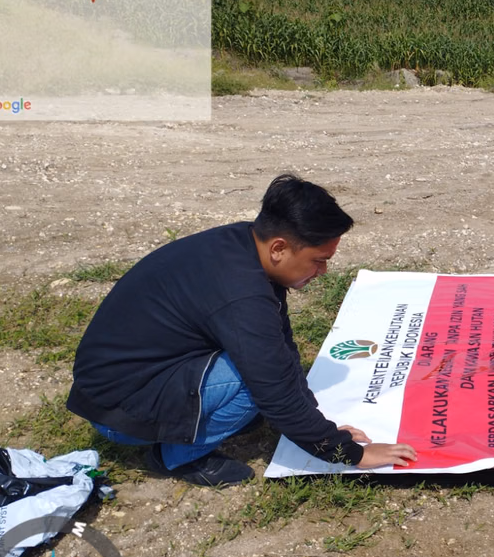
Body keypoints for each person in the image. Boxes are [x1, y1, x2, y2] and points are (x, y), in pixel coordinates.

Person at [67, 174, 417, 486]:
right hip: (122, 411)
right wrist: (346, 453)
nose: (323, 271)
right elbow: (273, 384)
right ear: (279, 248)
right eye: (318, 259)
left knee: (268, 367)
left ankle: (198, 420)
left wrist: (317, 421)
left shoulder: (242, 243)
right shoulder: (241, 293)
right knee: (255, 384)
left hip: (118, 386)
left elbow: (279, 343)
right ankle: (175, 456)